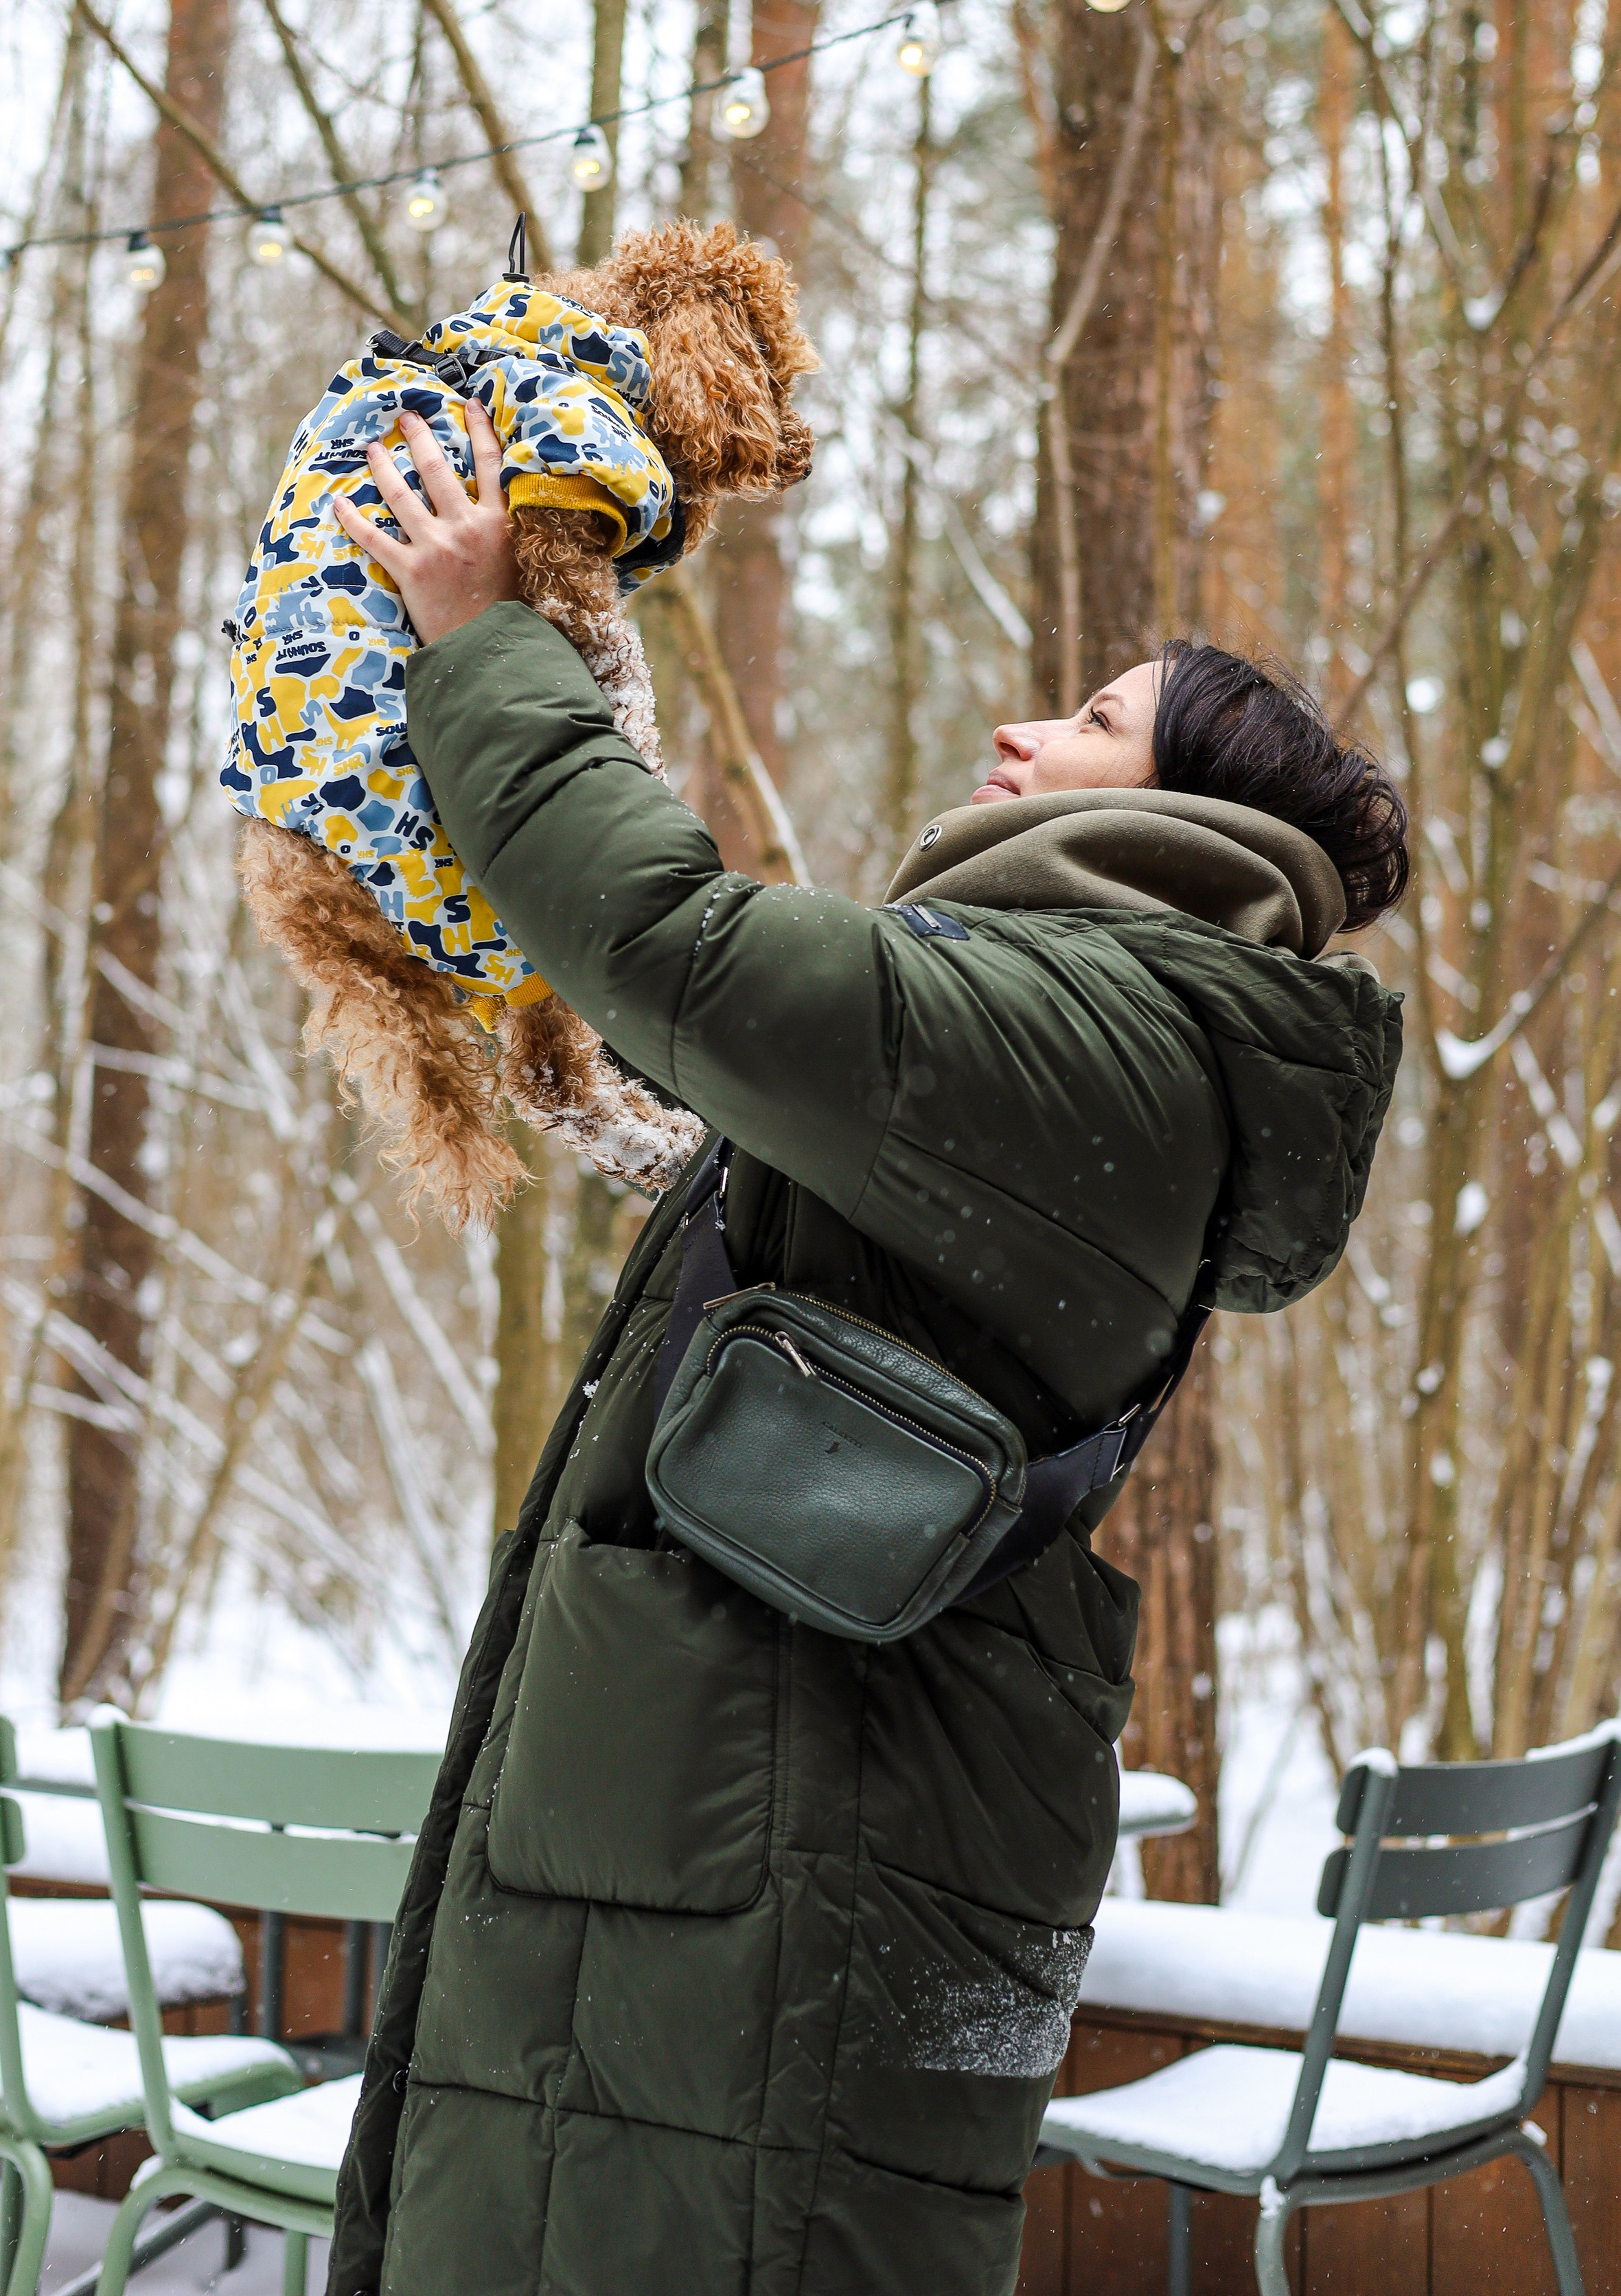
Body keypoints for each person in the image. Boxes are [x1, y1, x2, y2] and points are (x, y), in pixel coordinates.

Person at [325, 412, 1407, 2296]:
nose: (1022, 734)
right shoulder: (1125, 1037)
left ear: (1183, 817)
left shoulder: (1101, 1031)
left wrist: (487, 642)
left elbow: (675, 944)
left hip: (775, 1842)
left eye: (1086, 719)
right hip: (778, 1826)